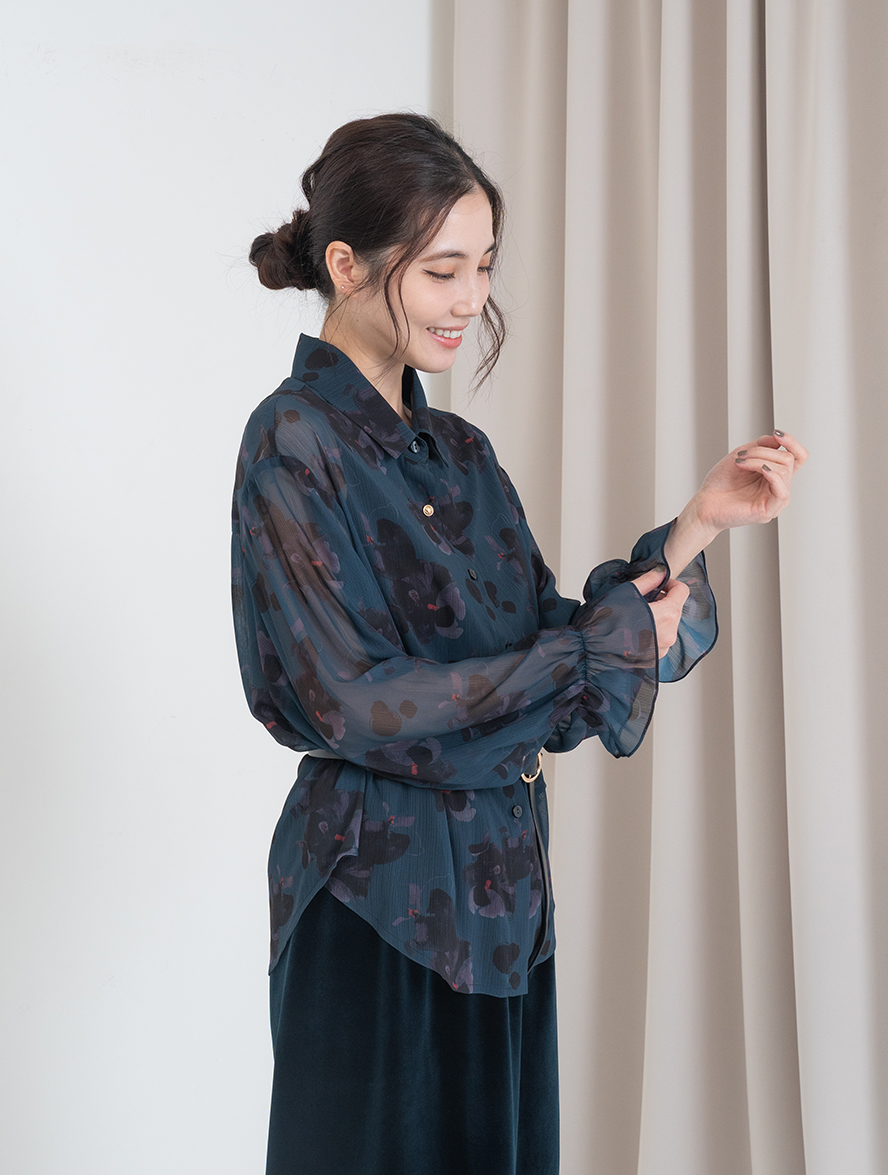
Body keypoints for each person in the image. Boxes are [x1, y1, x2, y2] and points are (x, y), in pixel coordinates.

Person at [232, 112, 807, 1175]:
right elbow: (352, 699)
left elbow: (550, 660)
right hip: (374, 902)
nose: (471, 299)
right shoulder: (293, 439)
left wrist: (694, 527)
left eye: (484, 266)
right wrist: (586, 653)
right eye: (441, 270)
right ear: (346, 265)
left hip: (501, 903)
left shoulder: (461, 451)